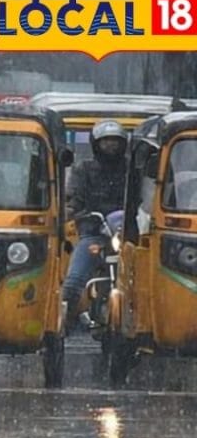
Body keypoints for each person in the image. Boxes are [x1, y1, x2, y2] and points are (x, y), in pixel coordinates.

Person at [62, 119, 128, 331]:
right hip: (94, 233)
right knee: (72, 282)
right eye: (105, 141)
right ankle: (62, 326)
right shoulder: (84, 169)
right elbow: (74, 198)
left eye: (115, 141)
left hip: (127, 236)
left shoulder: (131, 169)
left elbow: (144, 196)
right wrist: (72, 213)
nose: (111, 145)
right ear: (95, 143)